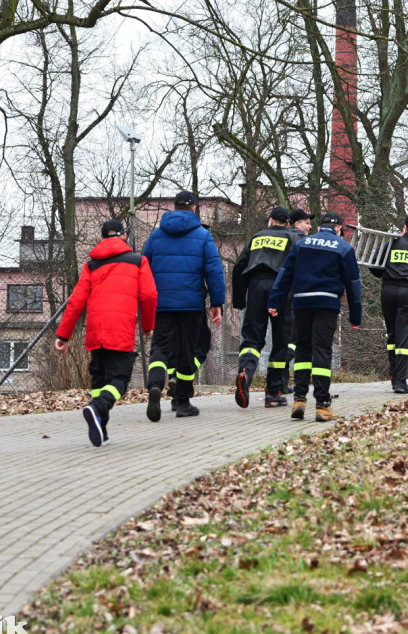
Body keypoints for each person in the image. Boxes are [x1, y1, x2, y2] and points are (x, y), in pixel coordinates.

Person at [55, 220, 157, 447]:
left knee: (100, 381)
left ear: (102, 238)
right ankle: (97, 408)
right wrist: (147, 326)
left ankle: (102, 429)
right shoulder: (138, 261)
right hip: (121, 330)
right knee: (119, 380)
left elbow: (76, 301)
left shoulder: (91, 265)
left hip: (96, 331)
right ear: (125, 235)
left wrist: (63, 335)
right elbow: (150, 295)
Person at [268, 211, 362, 422]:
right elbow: (353, 286)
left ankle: (299, 400)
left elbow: (285, 274)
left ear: (319, 227)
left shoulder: (302, 244)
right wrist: (355, 317)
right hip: (327, 304)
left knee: (302, 350)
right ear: (339, 229)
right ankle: (322, 405)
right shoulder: (344, 248)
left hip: (301, 303)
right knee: (321, 352)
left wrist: (274, 301)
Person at [142, 191, 224, 420]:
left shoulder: (156, 236)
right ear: (195, 209)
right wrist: (216, 302)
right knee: (188, 350)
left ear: (174, 208)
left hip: (162, 303)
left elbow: (143, 267)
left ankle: (156, 385)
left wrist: (145, 299)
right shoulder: (203, 236)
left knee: (160, 347)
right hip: (191, 304)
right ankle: (183, 402)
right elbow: (214, 271)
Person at [232, 207, 298, 408]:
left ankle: (245, 373)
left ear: (270, 221)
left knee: (252, 338)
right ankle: (273, 393)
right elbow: (298, 266)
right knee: (280, 341)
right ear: (287, 223)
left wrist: (239, 301)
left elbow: (239, 266)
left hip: (256, 287)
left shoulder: (256, 237)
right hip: (281, 288)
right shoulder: (292, 238)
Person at [371, 214, 408, 393]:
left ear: (404, 227)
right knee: (403, 338)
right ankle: (400, 381)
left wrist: (389, 272)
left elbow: (375, 268)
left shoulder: (392, 243)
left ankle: (394, 376)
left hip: (388, 291)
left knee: (392, 335)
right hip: (407, 293)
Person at [283, 208, 315, 394]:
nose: (310, 227)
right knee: (295, 340)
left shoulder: (281, 238)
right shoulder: (302, 241)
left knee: (284, 339)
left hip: (279, 295)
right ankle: (280, 376)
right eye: (306, 223)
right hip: (297, 296)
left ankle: (280, 382)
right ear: (296, 224)